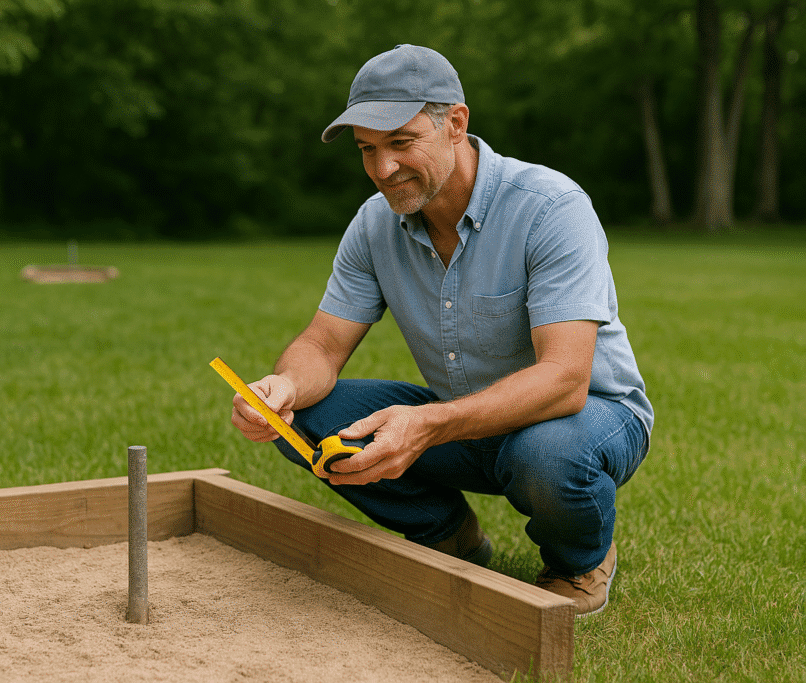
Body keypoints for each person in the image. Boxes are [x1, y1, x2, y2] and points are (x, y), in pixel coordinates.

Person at [227, 44, 652, 617]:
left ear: (455, 123)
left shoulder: (551, 207)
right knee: (301, 417)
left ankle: (577, 562)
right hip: (462, 422)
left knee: (548, 455)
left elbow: (565, 379)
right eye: (367, 149)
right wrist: (284, 388)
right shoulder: (374, 224)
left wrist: (427, 425)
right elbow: (322, 345)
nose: (383, 169)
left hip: (584, 419)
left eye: (401, 143)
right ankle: (450, 537)